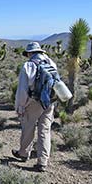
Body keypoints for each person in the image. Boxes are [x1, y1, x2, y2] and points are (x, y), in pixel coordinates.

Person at [13, 42, 57, 172]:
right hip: (49, 101)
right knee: (45, 130)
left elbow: (22, 90)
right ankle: (42, 162)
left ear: (30, 53)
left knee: (28, 127)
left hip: (34, 101)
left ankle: (23, 153)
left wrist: (20, 107)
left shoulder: (28, 66)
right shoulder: (51, 63)